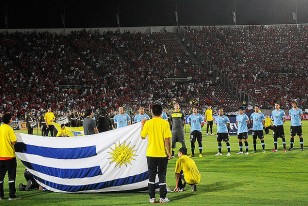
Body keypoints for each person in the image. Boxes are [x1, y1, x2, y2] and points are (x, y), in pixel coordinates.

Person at [140, 104, 172, 204]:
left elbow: (142, 136)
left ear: (152, 112)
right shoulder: (165, 123)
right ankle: (162, 198)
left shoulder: (148, 123)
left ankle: (152, 198)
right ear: (161, 112)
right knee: (162, 175)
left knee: (151, 175)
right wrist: (169, 152)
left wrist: (142, 124)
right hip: (162, 154)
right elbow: (167, 139)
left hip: (151, 153)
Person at [0, 113, 19, 200]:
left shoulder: (0, 128)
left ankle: (1, 195)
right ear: (9, 120)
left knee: (0, 176)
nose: (12, 119)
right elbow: (14, 141)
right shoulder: (9, 129)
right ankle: (11, 195)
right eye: (11, 118)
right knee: (11, 176)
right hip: (9, 155)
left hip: (0, 156)